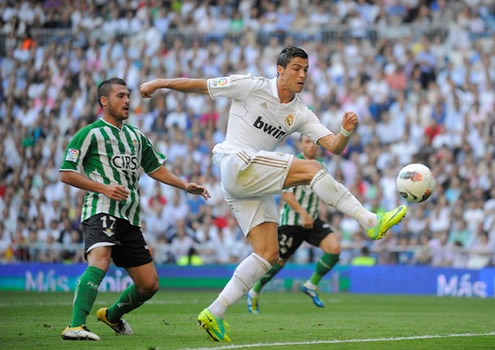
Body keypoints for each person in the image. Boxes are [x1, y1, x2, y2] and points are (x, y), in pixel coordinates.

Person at [140, 46, 407, 342]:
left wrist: (344, 132)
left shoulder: (299, 112)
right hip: (236, 162)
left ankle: (215, 311)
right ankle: (370, 220)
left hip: (249, 182)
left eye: (305, 69)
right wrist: (159, 83)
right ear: (279, 70)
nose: (302, 74)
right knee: (313, 167)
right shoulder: (251, 85)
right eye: (296, 68)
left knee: (268, 254)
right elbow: (200, 85)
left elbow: (333, 145)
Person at [59, 77, 210, 341]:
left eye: (128, 95)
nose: (127, 100)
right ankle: (75, 325)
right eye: (120, 96)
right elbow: (66, 173)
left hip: (129, 217)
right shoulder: (90, 133)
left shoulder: (136, 136)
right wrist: (103, 188)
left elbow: (155, 168)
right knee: (101, 260)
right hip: (101, 209)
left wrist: (185, 185)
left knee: (149, 285)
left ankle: (112, 315)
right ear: (104, 101)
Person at [247, 134, 341, 313]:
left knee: (334, 249)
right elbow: (287, 194)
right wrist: (303, 214)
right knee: (277, 262)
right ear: (300, 145)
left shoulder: (322, 165)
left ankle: (311, 284)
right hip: (292, 222)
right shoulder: (293, 164)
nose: (312, 146)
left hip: (312, 220)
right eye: (307, 142)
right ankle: (255, 291)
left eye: (314, 143)